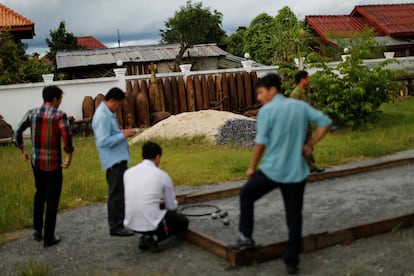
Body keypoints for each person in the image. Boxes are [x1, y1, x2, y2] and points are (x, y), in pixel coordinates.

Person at [230, 73, 331, 274]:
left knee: (247, 194)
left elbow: (260, 143)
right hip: (296, 172)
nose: (259, 98)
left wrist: (252, 167)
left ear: (272, 90)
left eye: (260, 93)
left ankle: (246, 238)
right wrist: (310, 144)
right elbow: (325, 123)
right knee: (294, 216)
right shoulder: (299, 106)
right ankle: (292, 261)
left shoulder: (267, 111)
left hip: (273, 170)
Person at [15, 85, 74, 248]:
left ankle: (37, 230)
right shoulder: (59, 115)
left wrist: (22, 150)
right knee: (52, 199)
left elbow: (18, 130)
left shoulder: (32, 112)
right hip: (53, 164)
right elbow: (67, 136)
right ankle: (49, 237)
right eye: (60, 99)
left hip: (36, 162)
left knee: (39, 194)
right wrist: (69, 155)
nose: (61, 102)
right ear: (55, 99)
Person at [123, 142, 189, 252]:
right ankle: (154, 237)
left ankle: (143, 236)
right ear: (158, 157)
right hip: (151, 223)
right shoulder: (162, 175)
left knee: (152, 210)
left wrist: (157, 202)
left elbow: (138, 196)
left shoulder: (128, 172)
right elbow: (172, 206)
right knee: (182, 222)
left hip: (130, 223)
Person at [92, 87, 137, 237]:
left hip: (118, 159)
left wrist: (121, 133)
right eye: (118, 105)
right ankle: (116, 227)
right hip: (113, 161)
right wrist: (123, 134)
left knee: (120, 193)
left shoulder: (107, 113)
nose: (119, 109)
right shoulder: (102, 116)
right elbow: (104, 141)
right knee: (116, 195)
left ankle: (121, 222)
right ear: (111, 101)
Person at [290, 70, 325, 173]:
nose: (309, 80)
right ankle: (309, 167)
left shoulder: (304, 92)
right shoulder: (296, 93)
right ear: (302, 79)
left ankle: (309, 166)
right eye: (308, 78)